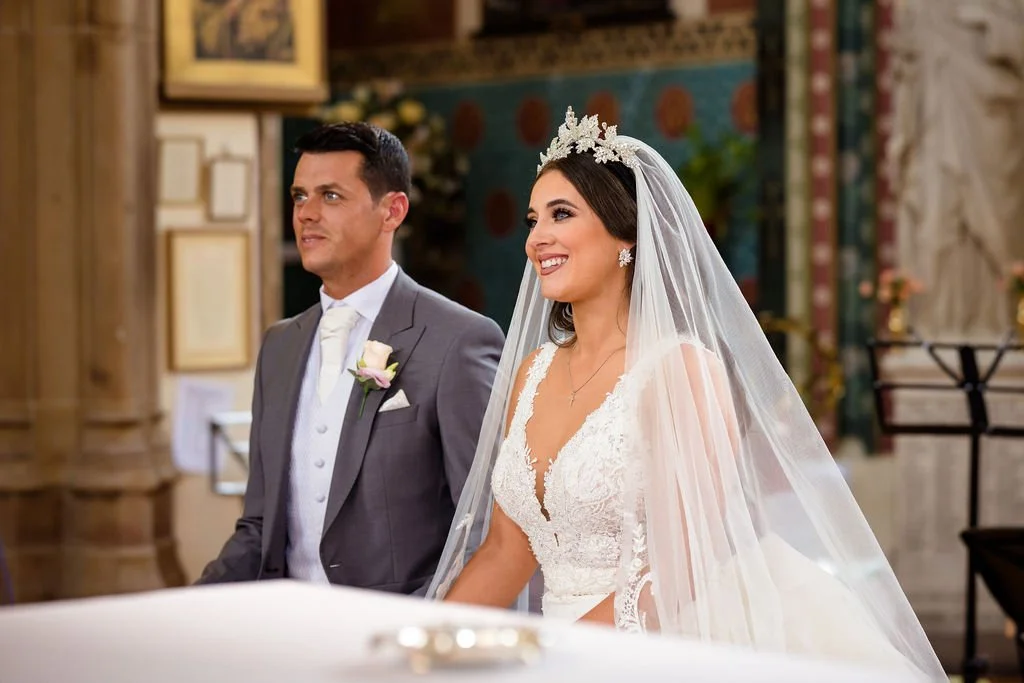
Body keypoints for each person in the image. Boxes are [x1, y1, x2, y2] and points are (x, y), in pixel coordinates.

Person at [425, 107, 946, 681]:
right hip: (557, 649)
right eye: (532, 220)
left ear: (626, 234)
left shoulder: (679, 370)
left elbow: (679, 574)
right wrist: (426, 643)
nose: (536, 239)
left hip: (654, 648)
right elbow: (507, 548)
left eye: (561, 214)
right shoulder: (533, 372)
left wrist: (551, 656)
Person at [197, 122, 505, 596]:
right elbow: (259, 526)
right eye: (299, 197)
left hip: (400, 627)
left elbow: (485, 530)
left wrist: (416, 627)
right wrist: (186, 604)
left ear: (392, 211)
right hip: (287, 623)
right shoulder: (279, 346)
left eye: (331, 196)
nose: (306, 214)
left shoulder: (458, 341)